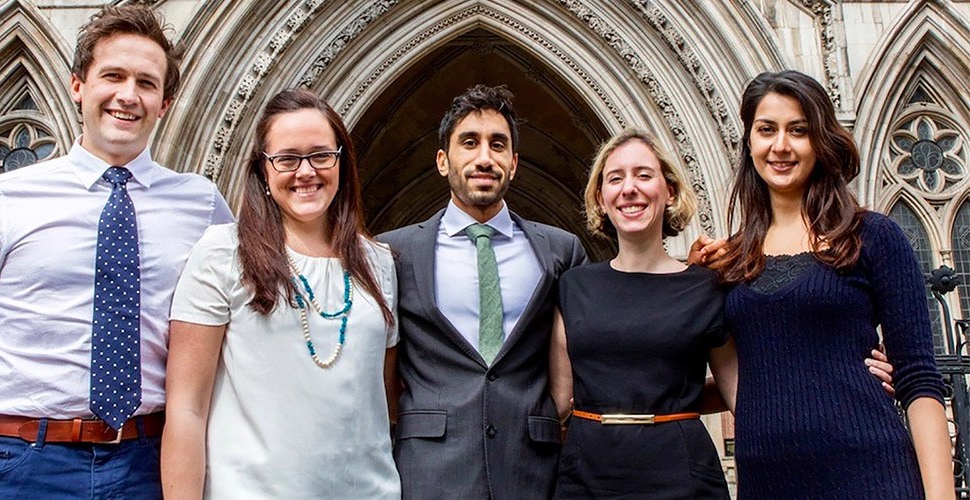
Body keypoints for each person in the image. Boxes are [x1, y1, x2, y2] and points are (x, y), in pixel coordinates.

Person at [0, 5, 233, 497]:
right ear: (78, 86)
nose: (127, 95)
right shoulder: (2, 200)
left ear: (164, 103)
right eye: (113, 76)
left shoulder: (203, 206)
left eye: (146, 83)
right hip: (20, 463)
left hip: (148, 462)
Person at [712, 70, 953, 499]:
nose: (780, 145)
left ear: (820, 141)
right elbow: (726, 371)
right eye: (766, 130)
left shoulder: (872, 236)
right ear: (748, 142)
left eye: (798, 130)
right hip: (768, 483)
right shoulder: (730, 262)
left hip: (871, 474)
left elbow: (918, 378)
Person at [161, 88, 400, 499]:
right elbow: (186, 409)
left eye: (321, 155)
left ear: (342, 162)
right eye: (287, 159)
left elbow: (384, 398)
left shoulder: (378, 263)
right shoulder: (223, 253)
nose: (306, 171)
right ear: (263, 170)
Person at [378, 84, 587, 499]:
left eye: (498, 144)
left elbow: (587, 352)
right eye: (469, 142)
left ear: (514, 163)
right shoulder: (393, 253)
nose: (484, 158)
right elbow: (381, 367)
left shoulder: (561, 250)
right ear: (443, 160)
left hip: (532, 470)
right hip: (429, 472)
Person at [548, 129, 738, 499]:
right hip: (587, 479)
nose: (629, 188)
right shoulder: (573, 287)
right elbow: (556, 402)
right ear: (601, 199)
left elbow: (742, 397)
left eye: (644, 175)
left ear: (670, 192)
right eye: (615, 178)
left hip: (684, 478)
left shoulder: (706, 288)